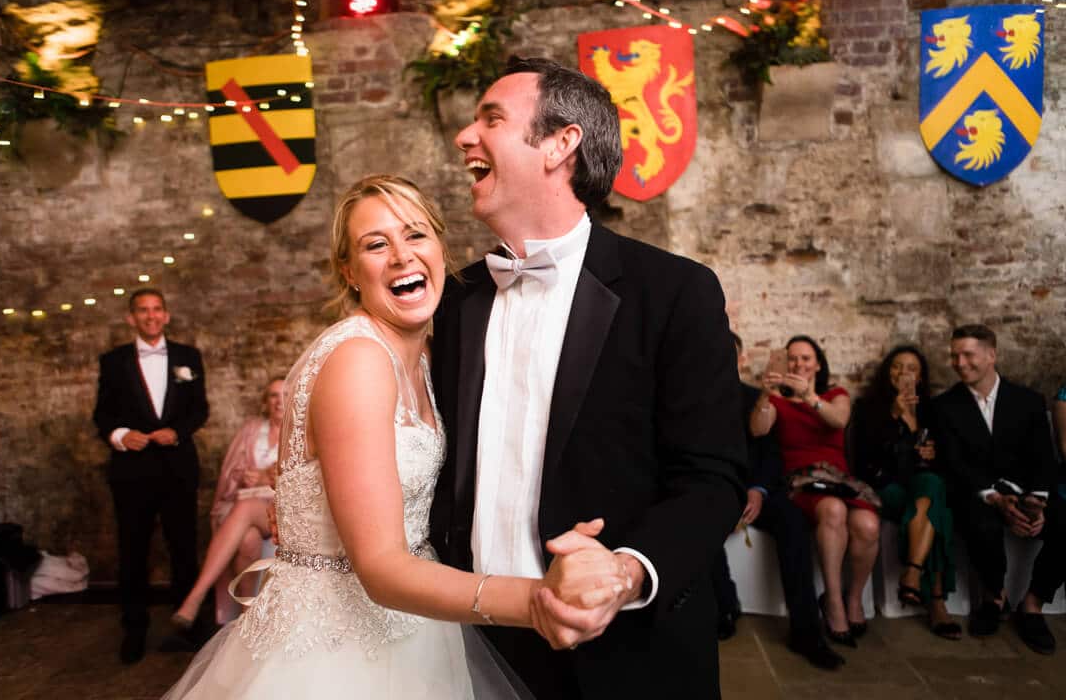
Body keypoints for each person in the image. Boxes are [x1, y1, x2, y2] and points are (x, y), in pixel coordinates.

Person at [163, 175, 626, 699]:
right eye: (376, 244)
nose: (402, 256)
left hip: (416, 624)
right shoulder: (357, 360)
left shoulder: (428, 359)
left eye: (415, 235)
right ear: (349, 271)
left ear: (439, 246)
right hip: (334, 650)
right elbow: (380, 567)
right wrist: (541, 599)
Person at [429, 57, 747, 699]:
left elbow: (713, 479)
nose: (466, 137)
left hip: (623, 651)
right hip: (469, 640)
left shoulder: (674, 292)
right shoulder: (454, 300)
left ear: (560, 143)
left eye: (491, 119)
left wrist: (626, 573)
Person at [711, 334, 843, 668]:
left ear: (740, 360)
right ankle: (725, 606)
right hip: (715, 492)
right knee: (702, 518)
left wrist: (757, 490)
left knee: (793, 522)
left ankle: (806, 631)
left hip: (758, 492)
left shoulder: (758, 398)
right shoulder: (687, 399)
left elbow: (770, 453)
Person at [93, 288, 209, 664]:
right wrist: (120, 437)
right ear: (131, 318)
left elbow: (199, 410)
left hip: (178, 466)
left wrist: (178, 431)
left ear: (167, 315)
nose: (151, 316)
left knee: (184, 547)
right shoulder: (113, 361)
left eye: (157, 309)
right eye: (142, 311)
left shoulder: (189, 357)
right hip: (132, 470)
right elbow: (102, 416)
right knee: (133, 550)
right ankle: (134, 629)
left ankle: (187, 625)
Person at [934, 324, 1066, 654]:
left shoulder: (1028, 401)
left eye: (967, 354)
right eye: (954, 355)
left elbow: (1043, 458)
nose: (959, 362)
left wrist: (1037, 502)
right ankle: (994, 597)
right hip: (978, 493)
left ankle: (1033, 604)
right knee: (981, 523)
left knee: (1065, 521)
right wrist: (994, 499)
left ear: (992, 355)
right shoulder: (944, 407)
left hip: (1025, 491)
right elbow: (953, 464)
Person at [749, 335, 879, 649]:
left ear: (818, 364)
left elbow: (839, 419)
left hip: (838, 479)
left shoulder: (836, 394)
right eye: (793, 358)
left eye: (806, 358)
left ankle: (854, 599)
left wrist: (809, 396)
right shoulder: (778, 401)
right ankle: (833, 603)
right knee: (833, 510)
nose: (799, 364)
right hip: (800, 480)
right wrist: (765, 396)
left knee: (867, 525)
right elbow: (758, 429)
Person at [850, 345, 961, 640]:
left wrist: (929, 448)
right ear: (888, 373)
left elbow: (944, 462)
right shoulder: (868, 409)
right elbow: (862, 462)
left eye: (911, 368)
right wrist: (893, 418)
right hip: (885, 488)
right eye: (897, 366)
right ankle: (936, 602)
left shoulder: (932, 411)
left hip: (922, 486)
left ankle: (913, 573)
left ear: (921, 376)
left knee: (933, 489)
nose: (904, 373)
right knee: (939, 512)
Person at [170, 378, 284, 628]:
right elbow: (230, 472)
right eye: (274, 395)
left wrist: (268, 476)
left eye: (285, 395)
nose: (280, 401)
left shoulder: (299, 432)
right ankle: (247, 614)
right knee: (248, 540)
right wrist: (244, 475)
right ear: (266, 402)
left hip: (280, 506)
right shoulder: (252, 430)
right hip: (248, 503)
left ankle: (196, 596)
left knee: (244, 509)